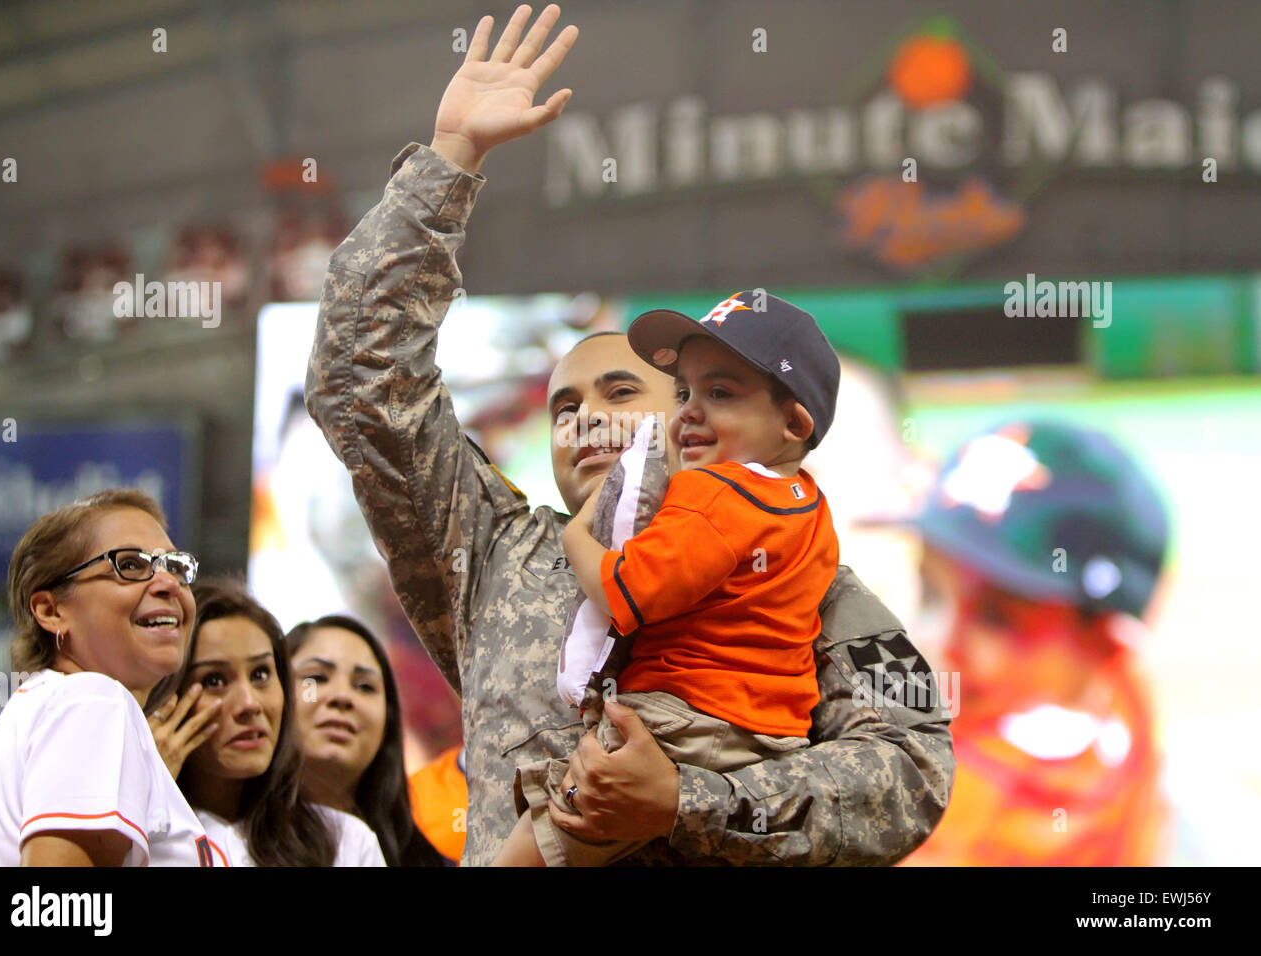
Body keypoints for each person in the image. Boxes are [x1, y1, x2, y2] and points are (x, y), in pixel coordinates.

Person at [306, 3, 954, 865]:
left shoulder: (799, 570)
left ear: (692, 416)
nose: (585, 417)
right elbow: (359, 384)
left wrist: (690, 801)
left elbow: (911, 771)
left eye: (623, 389)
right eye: (564, 407)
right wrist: (450, 161)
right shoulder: (491, 551)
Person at [495, 292, 843, 865]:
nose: (689, 412)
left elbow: (627, 591)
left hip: (679, 721)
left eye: (720, 393)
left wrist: (577, 538)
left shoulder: (714, 492)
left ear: (793, 422)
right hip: (769, 738)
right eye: (683, 392)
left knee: (521, 856)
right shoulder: (810, 506)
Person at [896, 420, 1172, 865]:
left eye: (997, 617)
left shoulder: (954, 824)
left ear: (1104, 643)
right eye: (929, 592)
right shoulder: (1123, 704)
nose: (934, 641)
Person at [0, 489, 223, 866]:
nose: (168, 583)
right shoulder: (93, 700)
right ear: (52, 610)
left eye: (175, 566)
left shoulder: (55, 705)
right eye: (130, 565)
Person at [147, 580, 384, 866]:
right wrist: (147, 789)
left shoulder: (346, 843)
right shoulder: (136, 832)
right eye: (214, 680)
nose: (249, 704)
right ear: (167, 698)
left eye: (260, 675)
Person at [284, 615, 445, 866]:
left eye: (365, 686)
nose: (342, 696)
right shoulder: (224, 837)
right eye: (316, 678)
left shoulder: (424, 860)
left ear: (388, 719)